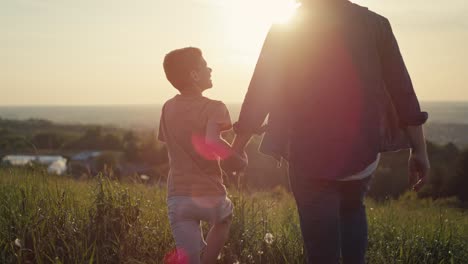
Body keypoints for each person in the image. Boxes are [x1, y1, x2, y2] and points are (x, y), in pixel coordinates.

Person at [231, 1, 430, 263]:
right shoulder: (377, 25)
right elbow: (403, 91)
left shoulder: (286, 29)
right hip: (362, 152)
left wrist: (236, 147)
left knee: (320, 246)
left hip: (307, 152)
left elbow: (260, 91)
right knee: (352, 210)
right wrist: (420, 150)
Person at [159, 47, 246, 264]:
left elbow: (171, 140)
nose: (210, 68)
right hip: (210, 194)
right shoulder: (214, 107)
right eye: (205, 65)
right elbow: (212, 141)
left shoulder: (167, 108)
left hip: (177, 197)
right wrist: (238, 160)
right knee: (224, 218)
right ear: (194, 75)